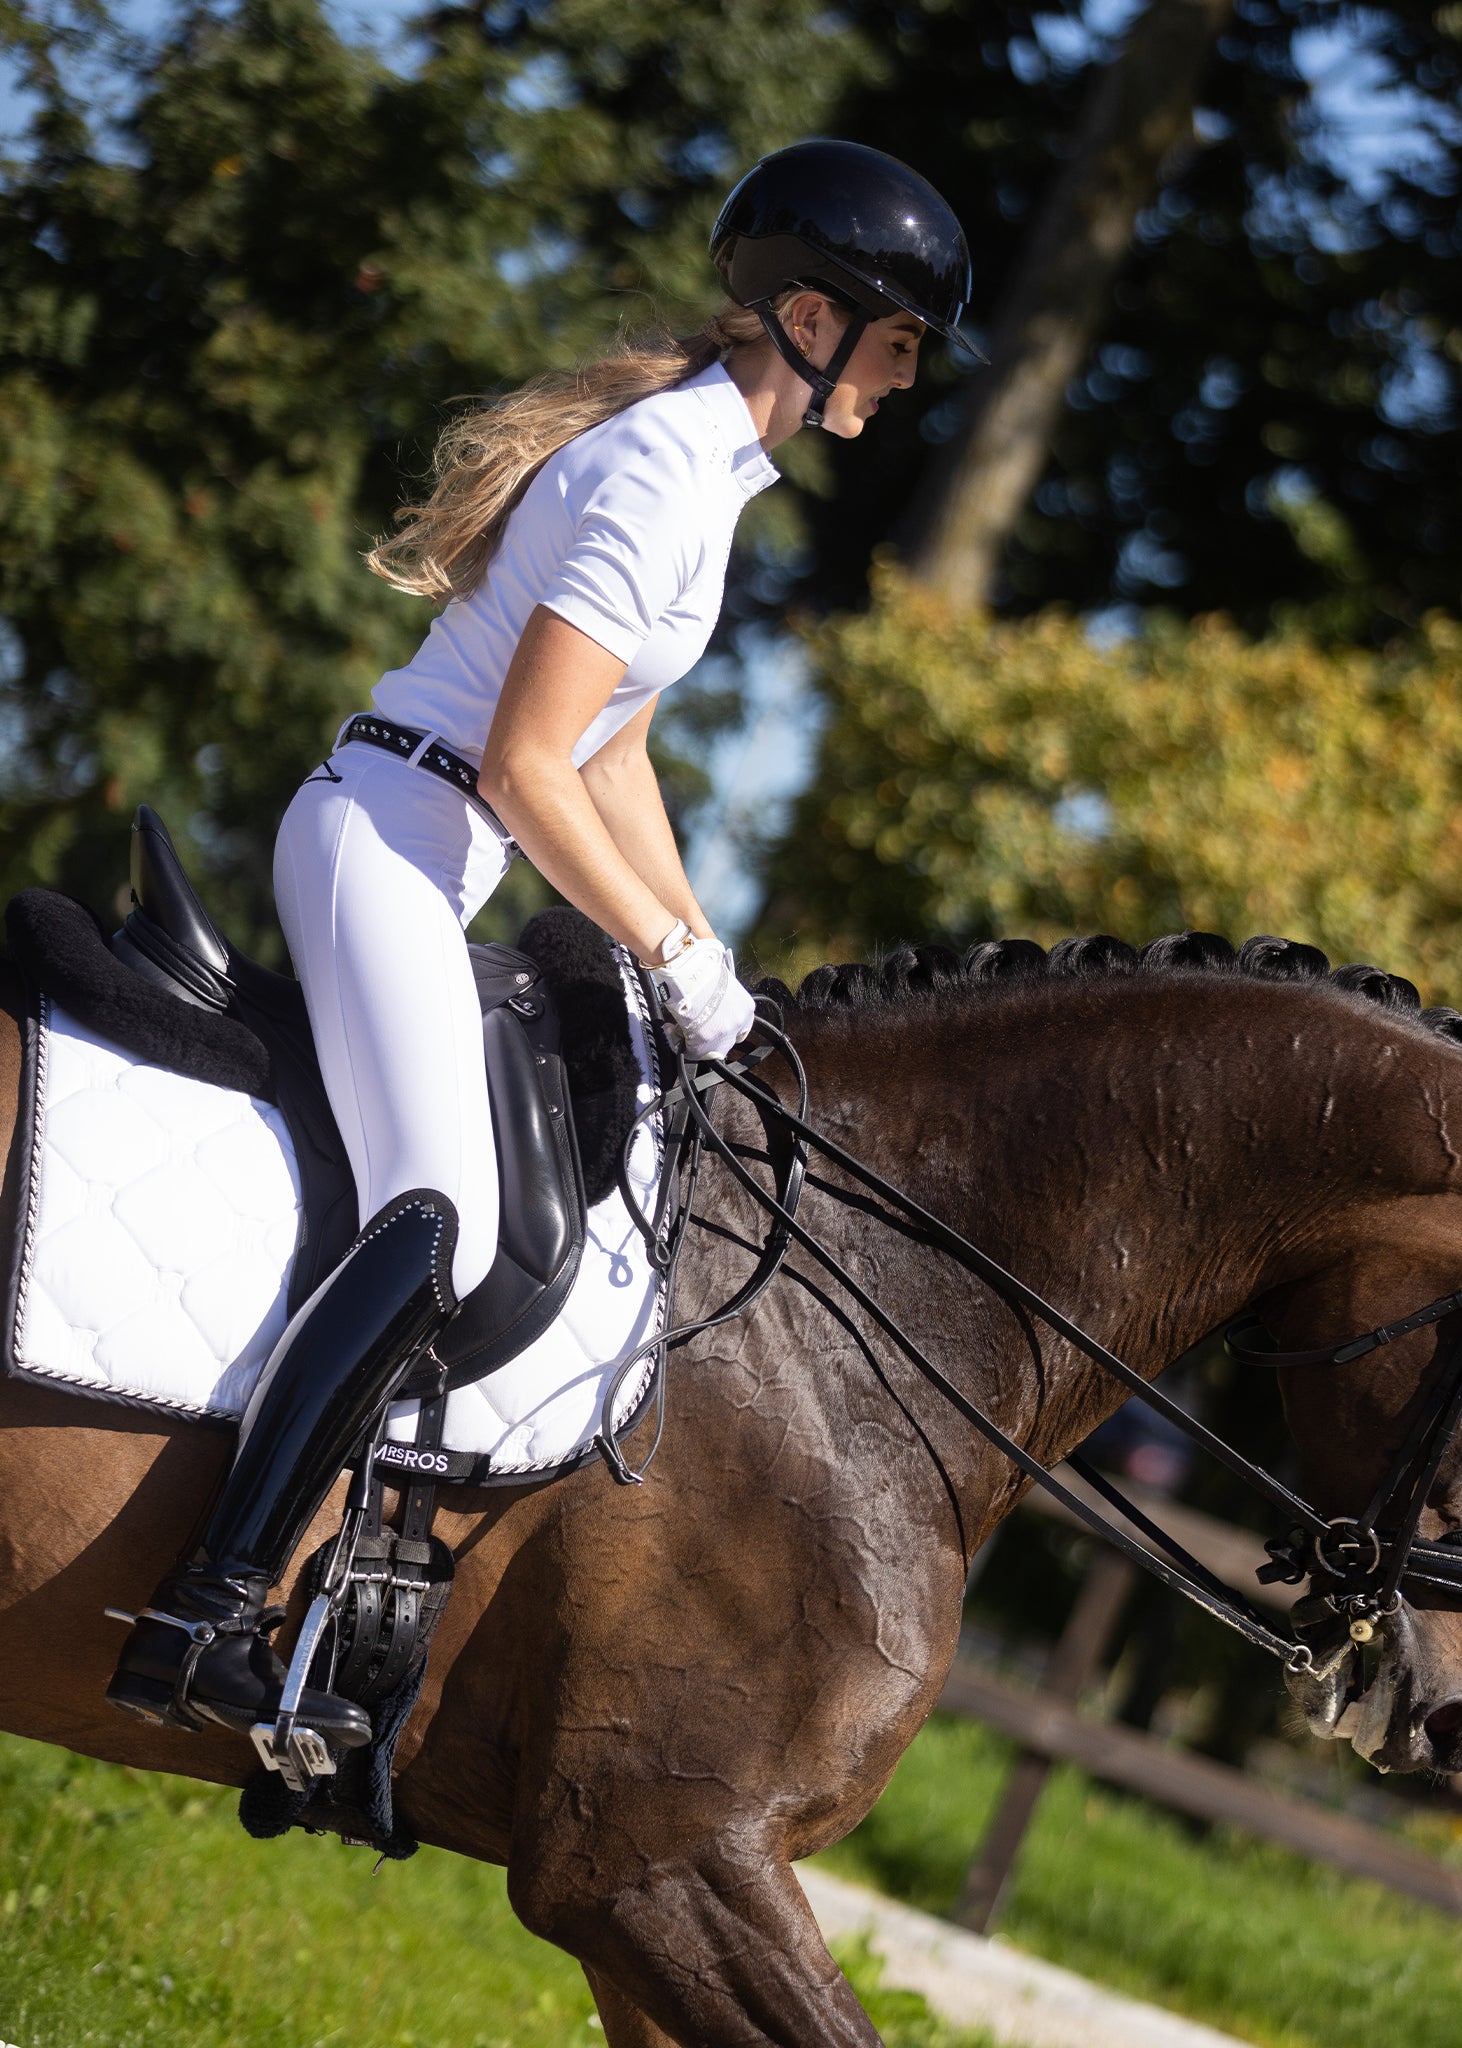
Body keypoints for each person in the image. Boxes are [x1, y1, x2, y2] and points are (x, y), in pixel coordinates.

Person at [105, 139, 973, 1748]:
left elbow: (614, 754)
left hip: (437, 846)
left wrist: (707, 959)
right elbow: (525, 763)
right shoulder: (654, 472)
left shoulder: (708, 483)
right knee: (436, 1214)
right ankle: (207, 1602)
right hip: (392, 829)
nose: (906, 380)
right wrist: (658, 942)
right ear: (807, 318)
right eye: (898, 342)